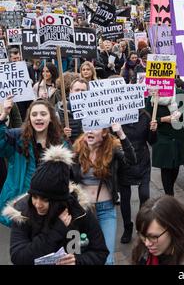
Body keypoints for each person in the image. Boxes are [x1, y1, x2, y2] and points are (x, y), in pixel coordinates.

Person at [3, 145, 109, 265]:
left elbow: (100, 252)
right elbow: (19, 257)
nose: (38, 204)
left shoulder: (79, 211)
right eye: (34, 197)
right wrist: (55, 232)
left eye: (45, 200)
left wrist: (78, 261)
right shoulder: (22, 212)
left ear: (59, 200)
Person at [71, 123, 137, 264]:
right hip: (83, 211)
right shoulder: (77, 149)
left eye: (95, 127)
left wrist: (121, 134)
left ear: (105, 132)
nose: (90, 131)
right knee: (82, 254)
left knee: (107, 259)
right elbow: (65, 174)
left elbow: (131, 161)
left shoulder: (112, 148)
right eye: (87, 127)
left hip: (106, 210)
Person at [0, 97, 67, 226]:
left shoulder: (60, 142)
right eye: (34, 114)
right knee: (23, 245)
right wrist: (3, 116)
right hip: (22, 205)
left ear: (51, 118)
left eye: (43, 114)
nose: (38, 118)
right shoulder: (17, 138)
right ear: (29, 118)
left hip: (50, 205)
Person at [131, 196, 184, 265]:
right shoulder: (141, 250)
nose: (147, 243)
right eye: (143, 236)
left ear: (173, 230)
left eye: (153, 237)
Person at [118, 111, 157, 244]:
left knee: (144, 195)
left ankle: (142, 226)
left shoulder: (145, 116)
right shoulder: (116, 116)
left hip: (142, 160)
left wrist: (153, 130)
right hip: (124, 161)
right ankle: (127, 227)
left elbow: (152, 142)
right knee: (125, 198)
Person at [145, 88, 184, 196]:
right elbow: (148, 117)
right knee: (166, 167)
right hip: (162, 136)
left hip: (177, 135)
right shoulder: (153, 96)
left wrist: (182, 112)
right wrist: (163, 119)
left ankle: (170, 191)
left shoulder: (180, 93)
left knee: (175, 166)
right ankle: (169, 196)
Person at [57, 78, 88, 144]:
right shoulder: (60, 112)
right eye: (77, 90)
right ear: (71, 91)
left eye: (83, 90)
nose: (80, 93)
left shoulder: (94, 112)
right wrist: (62, 134)